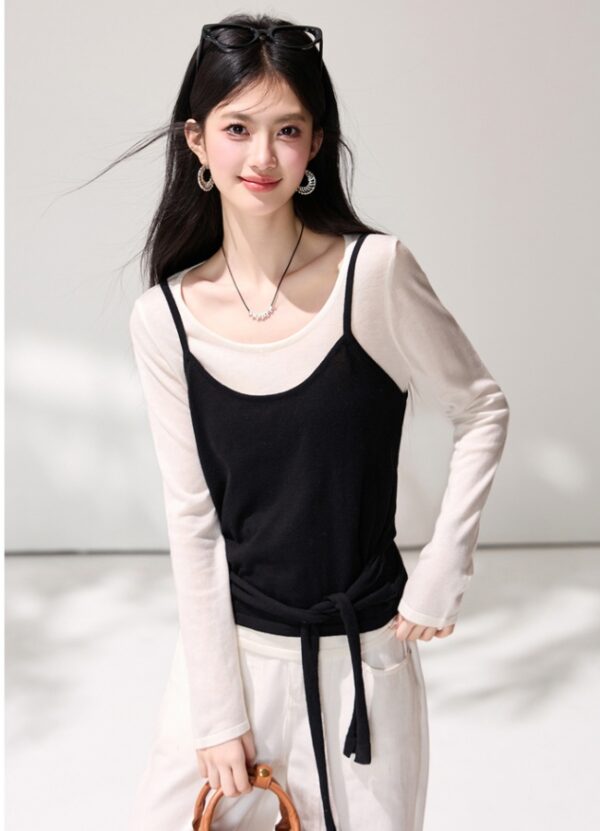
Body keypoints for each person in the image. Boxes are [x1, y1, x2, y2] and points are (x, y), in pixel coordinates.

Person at [125, 12, 510, 831]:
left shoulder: (375, 274)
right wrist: (216, 714)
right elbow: (193, 520)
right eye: (237, 128)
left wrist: (443, 570)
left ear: (316, 145)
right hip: (227, 666)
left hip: (362, 672)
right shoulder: (165, 319)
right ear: (196, 142)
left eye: (288, 130)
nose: (262, 157)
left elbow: (480, 405)